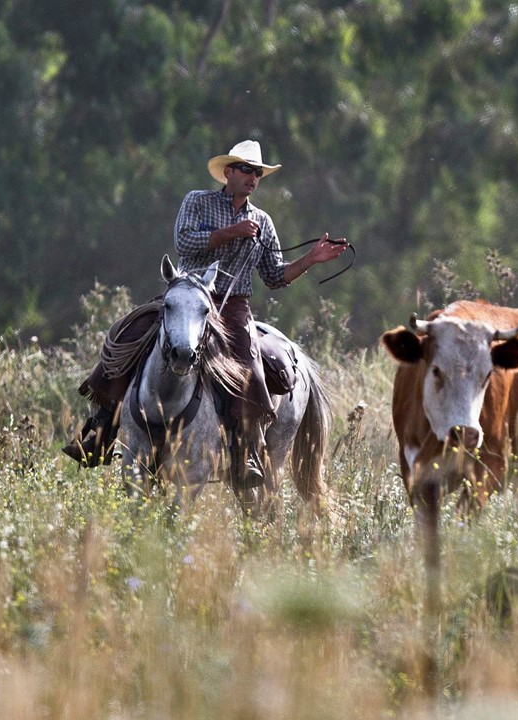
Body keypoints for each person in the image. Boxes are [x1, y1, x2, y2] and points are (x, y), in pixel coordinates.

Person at [63, 140, 347, 487]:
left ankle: (247, 453)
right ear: (228, 172)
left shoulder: (263, 221)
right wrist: (231, 233)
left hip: (233, 309)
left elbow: (275, 276)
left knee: (252, 374)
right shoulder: (197, 202)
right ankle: (100, 430)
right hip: (186, 296)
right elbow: (184, 242)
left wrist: (311, 260)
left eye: (257, 172)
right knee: (127, 336)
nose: (253, 177)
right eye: (246, 169)